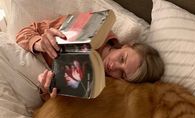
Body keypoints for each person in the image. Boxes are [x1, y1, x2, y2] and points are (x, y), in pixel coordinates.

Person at [16, 14, 165, 100]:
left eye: (123, 74)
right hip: (22, 56)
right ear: (127, 45)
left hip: (29, 85)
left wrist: (46, 91)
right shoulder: (93, 27)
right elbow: (25, 32)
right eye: (122, 59)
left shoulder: (101, 88)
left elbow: (57, 106)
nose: (114, 67)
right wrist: (39, 44)